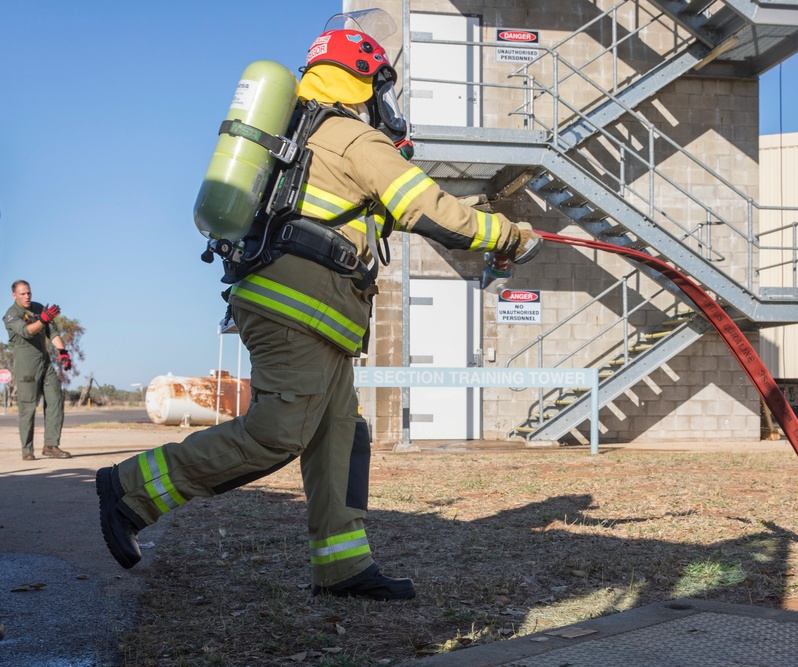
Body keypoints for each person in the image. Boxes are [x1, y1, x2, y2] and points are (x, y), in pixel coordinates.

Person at [96, 10, 541, 601]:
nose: (388, 99)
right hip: (297, 310)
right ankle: (130, 490)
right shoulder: (353, 136)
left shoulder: (308, 138)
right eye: (383, 85)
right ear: (363, 79)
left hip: (319, 315)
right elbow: (424, 207)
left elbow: (371, 215)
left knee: (339, 436)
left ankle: (342, 566)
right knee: (278, 433)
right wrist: (509, 236)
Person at [4, 280, 73, 461]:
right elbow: (28, 331)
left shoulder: (38, 308)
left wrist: (63, 353)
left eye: (29, 293)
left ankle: (51, 445)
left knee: (56, 400)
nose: (27, 297)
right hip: (27, 368)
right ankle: (27, 449)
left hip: (46, 363)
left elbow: (53, 332)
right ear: (14, 295)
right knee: (27, 409)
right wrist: (43, 319)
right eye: (22, 294)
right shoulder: (11, 315)